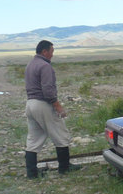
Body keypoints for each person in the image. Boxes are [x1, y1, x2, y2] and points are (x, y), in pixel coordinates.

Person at [24, 40, 81, 178]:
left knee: (33, 138)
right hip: (43, 104)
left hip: (30, 104)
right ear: (44, 52)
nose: (52, 55)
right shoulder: (45, 66)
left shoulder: (30, 65)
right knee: (60, 134)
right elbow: (48, 90)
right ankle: (64, 167)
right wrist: (57, 106)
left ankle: (31, 173)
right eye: (52, 52)